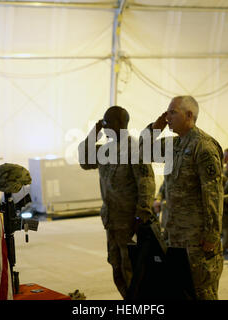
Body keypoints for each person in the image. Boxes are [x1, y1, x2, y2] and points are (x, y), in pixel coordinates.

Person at [144, 95, 224, 300]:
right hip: (174, 235)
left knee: (202, 292)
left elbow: (213, 194)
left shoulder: (203, 147)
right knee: (179, 292)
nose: (167, 116)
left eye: (172, 112)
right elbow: (142, 151)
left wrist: (212, 235)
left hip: (196, 238)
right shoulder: (174, 144)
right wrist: (155, 127)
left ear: (189, 115)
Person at [78, 106, 156, 298]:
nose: (104, 126)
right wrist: (92, 134)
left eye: (107, 122)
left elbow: (146, 183)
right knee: (116, 267)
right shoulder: (105, 149)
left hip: (130, 220)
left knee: (134, 270)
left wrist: (142, 214)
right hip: (112, 221)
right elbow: (85, 161)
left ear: (120, 124)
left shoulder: (135, 149)